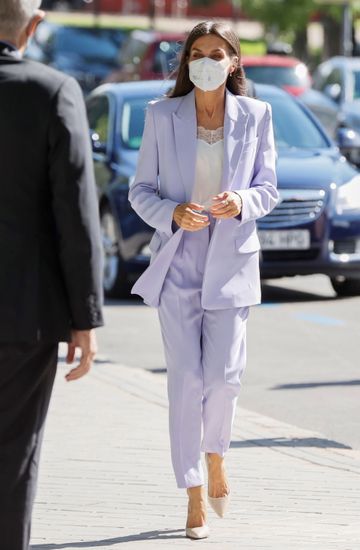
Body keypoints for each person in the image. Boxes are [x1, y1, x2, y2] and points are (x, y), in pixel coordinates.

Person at [129, 20, 278, 539]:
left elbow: (268, 188)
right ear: (187, 59)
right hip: (178, 263)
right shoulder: (160, 115)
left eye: (219, 52)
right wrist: (172, 213)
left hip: (232, 261)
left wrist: (241, 202)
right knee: (186, 380)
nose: (208, 59)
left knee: (222, 379)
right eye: (198, 51)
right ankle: (193, 493)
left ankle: (216, 456)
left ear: (235, 61)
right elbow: (140, 190)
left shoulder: (257, 115)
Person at [0, 1, 104, 549]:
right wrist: (83, 317)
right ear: (33, 27)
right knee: (14, 457)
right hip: (24, 315)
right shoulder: (52, 90)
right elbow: (76, 211)